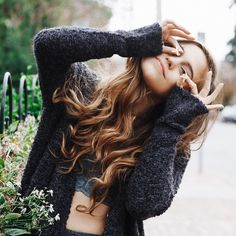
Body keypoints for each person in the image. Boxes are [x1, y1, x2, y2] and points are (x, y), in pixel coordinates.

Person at [18, 20, 224, 236]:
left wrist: (172, 123)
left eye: (184, 69)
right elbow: (47, 44)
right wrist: (129, 41)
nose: (171, 60)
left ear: (187, 95)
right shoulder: (82, 89)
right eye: (172, 48)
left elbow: (144, 205)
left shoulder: (172, 143)